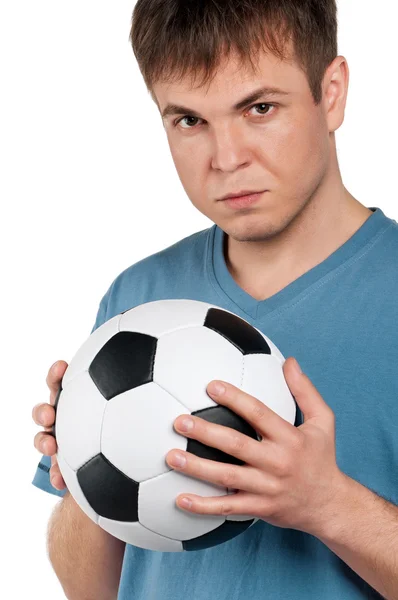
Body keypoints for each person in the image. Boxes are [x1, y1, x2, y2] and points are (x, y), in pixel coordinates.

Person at [32, 0, 398, 598]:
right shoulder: (138, 299)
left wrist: (328, 505)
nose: (226, 160)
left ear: (331, 94)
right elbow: (91, 590)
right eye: (189, 121)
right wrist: (82, 468)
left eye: (259, 108)